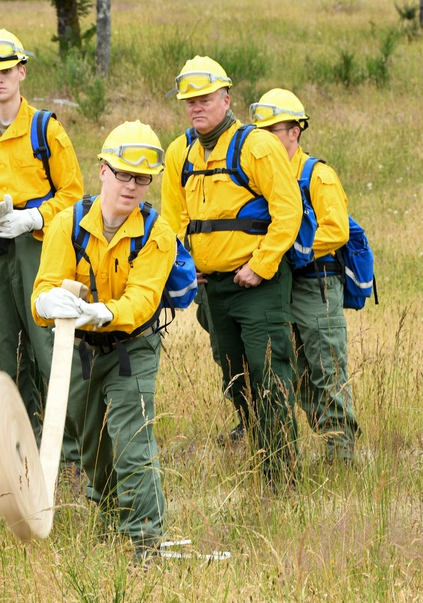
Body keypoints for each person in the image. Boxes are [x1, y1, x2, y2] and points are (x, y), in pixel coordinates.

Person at [31, 121, 173, 560]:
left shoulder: (157, 233)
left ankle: (145, 541)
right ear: (103, 171)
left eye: (142, 178)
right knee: (92, 447)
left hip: (133, 349)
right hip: (82, 350)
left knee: (132, 442)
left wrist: (106, 312)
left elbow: (144, 298)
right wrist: (49, 305)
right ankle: (110, 520)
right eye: (123, 174)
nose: (131, 186)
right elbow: (41, 293)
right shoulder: (65, 224)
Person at [161, 56, 303, 487]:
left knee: (270, 373)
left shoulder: (256, 146)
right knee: (233, 374)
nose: (196, 108)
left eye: (204, 99)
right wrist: (185, 268)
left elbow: (288, 212)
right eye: (189, 101)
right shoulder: (178, 152)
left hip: (257, 286)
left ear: (226, 98)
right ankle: (258, 447)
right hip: (213, 289)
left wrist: (260, 267)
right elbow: (170, 221)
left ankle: (282, 476)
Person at [0, 27, 83, 465]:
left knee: (48, 346)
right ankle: (24, 445)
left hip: (40, 247)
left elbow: (74, 195)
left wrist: (35, 217)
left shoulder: (47, 129)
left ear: (22, 71)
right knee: (0, 347)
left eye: (6, 70)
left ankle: (70, 451)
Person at [250, 88, 360, 464]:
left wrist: (295, 246)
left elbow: (337, 229)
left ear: (295, 132)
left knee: (326, 365)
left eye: (273, 131)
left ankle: (341, 451)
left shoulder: (318, 174)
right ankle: (326, 434)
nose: (264, 140)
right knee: (293, 369)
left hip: (317, 284)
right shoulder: (262, 174)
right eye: (259, 133)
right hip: (280, 285)